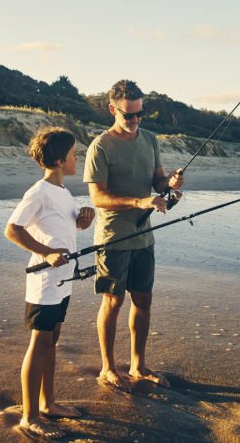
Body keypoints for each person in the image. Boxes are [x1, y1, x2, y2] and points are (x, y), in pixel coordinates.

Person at [84, 80, 185, 391]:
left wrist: (171, 185)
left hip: (144, 237)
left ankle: (139, 365)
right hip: (113, 237)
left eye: (140, 114)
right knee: (112, 302)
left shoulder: (150, 140)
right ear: (112, 110)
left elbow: (157, 182)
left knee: (143, 300)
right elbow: (98, 197)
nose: (135, 121)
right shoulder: (100, 146)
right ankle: (108, 368)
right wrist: (138, 202)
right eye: (129, 115)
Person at [4, 127, 95, 439]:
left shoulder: (63, 192)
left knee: (52, 340)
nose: (77, 158)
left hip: (63, 279)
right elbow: (13, 230)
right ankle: (29, 416)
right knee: (40, 343)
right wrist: (47, 253)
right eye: (73, 154)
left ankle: (49, 403)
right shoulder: (39, 192)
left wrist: (84, 218)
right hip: (44, 280)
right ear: (59, 160)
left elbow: (65, 227)